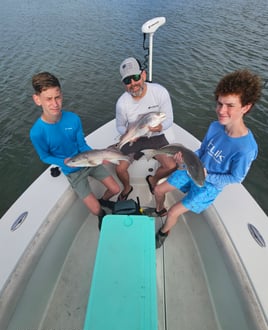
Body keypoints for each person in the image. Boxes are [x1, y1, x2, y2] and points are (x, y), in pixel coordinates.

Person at [154, 69, 262, 248]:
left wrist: (206, 176)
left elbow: (236, 177)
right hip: (193, 170)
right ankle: (159, 210)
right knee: (158, 190)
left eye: (230, 105)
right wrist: (186, 159)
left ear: (246, 107)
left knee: (174, 212)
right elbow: (202, 150)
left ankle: (163, 233)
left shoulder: (246, 149)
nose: (221, 110)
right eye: (219, 103)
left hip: (210, 186)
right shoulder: (215, 126)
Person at [30, 72, 120, 229]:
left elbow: (82, 145)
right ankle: (101, 214)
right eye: (48, 99)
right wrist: (62, 162)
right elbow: (44, 156)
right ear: (37, 100)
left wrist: (99, 156)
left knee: (115, 188)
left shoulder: (73, 118)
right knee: (95, 210)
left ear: (62, 95)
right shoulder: (37, 132)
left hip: (89, 161)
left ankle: (103, 200)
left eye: (57, 97)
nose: (55, 103)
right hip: (71, 171)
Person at [115, 57, 176, 201]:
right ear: (124, 84)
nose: (133, 84)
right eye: (127, 81)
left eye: (135, 77)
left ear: (143, 75)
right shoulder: (122, 103)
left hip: (156, 136)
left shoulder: (160, 92)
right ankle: (127, 187)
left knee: (171, 165)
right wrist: (128, 133)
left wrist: (159, 127)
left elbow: (169, 119)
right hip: (134, 138)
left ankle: (153, 180)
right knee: (119, 168)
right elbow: (119, 125)